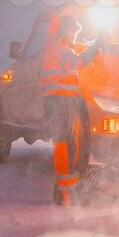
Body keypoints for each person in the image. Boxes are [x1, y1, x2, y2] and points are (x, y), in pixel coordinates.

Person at [39, 13, 100, 206]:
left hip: (62, 102)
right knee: (66, 146)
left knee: (68, 145)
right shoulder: (58, 48)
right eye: (73, 32)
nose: (75, 37)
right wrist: (97, 47)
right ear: (65, 30)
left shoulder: (60, 47)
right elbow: (78, 63)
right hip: (60, 103)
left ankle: (66, 192)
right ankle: (64, 193)